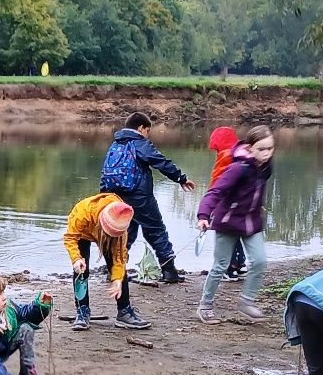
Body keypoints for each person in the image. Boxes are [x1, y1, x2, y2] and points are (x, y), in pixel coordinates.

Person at [99, 110, 195, 283]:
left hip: (117, 197)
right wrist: (180, 178)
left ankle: (115, 271)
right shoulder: (139, 143)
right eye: (148, 131)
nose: (148, 135)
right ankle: (169, 271)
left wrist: (103, 197)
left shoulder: (115, 145)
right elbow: (160, 161)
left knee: (124, 232)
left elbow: (105, 172)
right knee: (156, 230)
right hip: (140, 197)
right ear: (141, 128)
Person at [194, 125, 275, 323]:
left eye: (270, 149)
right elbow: (215, 192)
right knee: (220, 265)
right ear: (249, 148)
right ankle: (205, 305)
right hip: (228, 222)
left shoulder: (266, 167)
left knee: (260, 261)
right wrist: (203, 215)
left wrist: (258, 206)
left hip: (251, 222)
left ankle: (246, 302)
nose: (266, 154)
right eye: (261, 149)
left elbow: (254, 191)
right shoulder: (237, 169)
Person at [62, 190, 150, 331]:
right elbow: (70, 237)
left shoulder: (121, 222)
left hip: (112, 232)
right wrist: (76, 259)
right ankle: (82, 312)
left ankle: (124, 312)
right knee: (81, 270)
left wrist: (117, 280)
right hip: (83, 233)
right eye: (108, 232)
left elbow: (119, 258)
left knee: (119, 269)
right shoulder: (83, 212)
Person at [206, 124, 247, 280]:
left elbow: (217, 182)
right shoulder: (242, 154)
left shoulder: (225, 156)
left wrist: (209, 205)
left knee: (225, 235)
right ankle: (240, 264)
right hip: (241, 202)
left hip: (226, 203)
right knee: (235, 233)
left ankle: (228, 269)